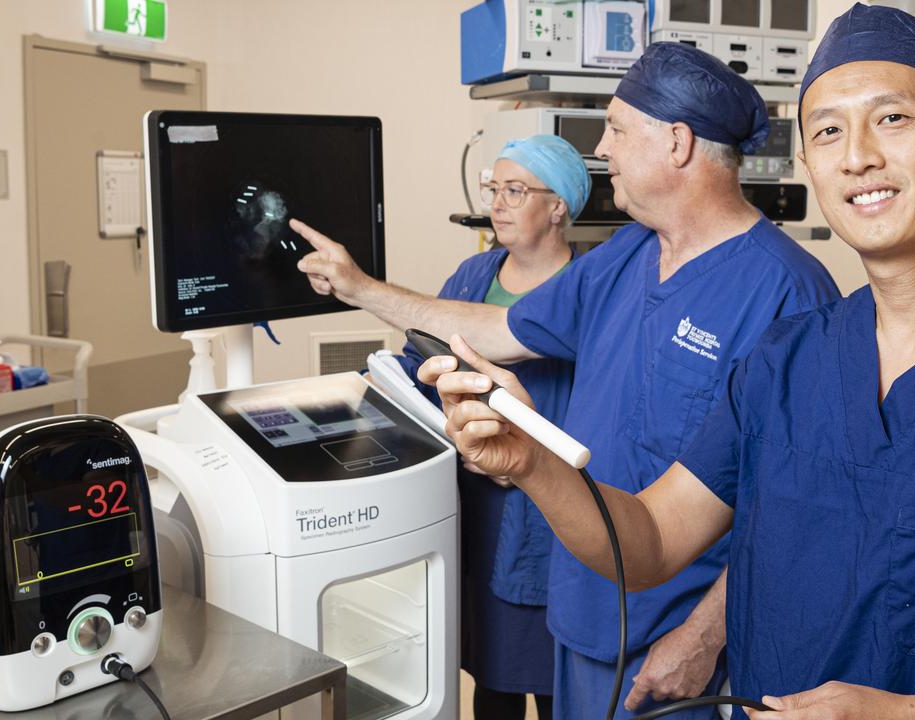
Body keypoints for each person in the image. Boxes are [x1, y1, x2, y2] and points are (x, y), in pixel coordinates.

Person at [423, 5, 915, 719]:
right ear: (809, 165)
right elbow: (647, 542)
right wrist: (531, 456)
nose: (857, 156)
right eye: (827, 131)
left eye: (893, 119)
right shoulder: (788, 364)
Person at [291, 42, 841, 719]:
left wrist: (703, 636)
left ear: (675, 141)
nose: (601, 148)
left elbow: (794, 509)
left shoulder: (789, 292)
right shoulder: (628, 255)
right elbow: (499, 328)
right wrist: (362, 289)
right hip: (582, 610)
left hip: (678, 646)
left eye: (614, 127)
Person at [392, 134, 588, 720]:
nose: (498, 203)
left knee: (555, 674)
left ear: (558, 207)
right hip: (472, 497)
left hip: (546, 502)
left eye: (516, 190)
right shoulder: (474, 274)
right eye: (494, 189)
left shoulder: (588, 288)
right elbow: (416, 365)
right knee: (488, 675)